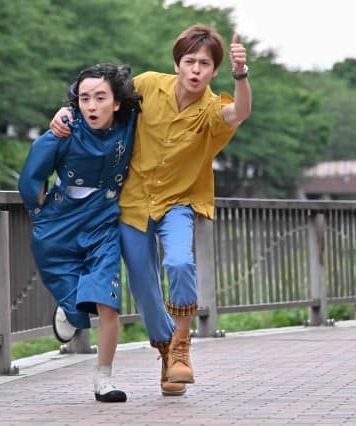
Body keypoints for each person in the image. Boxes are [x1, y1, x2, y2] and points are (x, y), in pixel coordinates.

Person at [49, 24, 252, 396]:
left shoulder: (211, 109)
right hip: (134, 201)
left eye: (204, 64)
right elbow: (103, 99)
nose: (195, 69)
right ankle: (166, 353)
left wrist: (241, 75)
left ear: (214, 71)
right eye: (189, 61)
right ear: (177, 64)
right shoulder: (146, 86)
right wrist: (68, 110)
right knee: (143, 286)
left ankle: (181, 347)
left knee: (179, 262)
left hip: (180, 202)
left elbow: (239, 111)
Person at [19, 63, 142, 403]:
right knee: (70, 293)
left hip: (103, 222)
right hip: (61, 222)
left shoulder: (130, 124)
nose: (92, 106)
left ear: (116, 102)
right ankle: (70, 308)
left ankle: (104, 379)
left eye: (100, 97)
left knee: (108, 303)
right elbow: (33, 172)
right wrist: (39, 211)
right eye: (84, 98)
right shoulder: (65, 128)